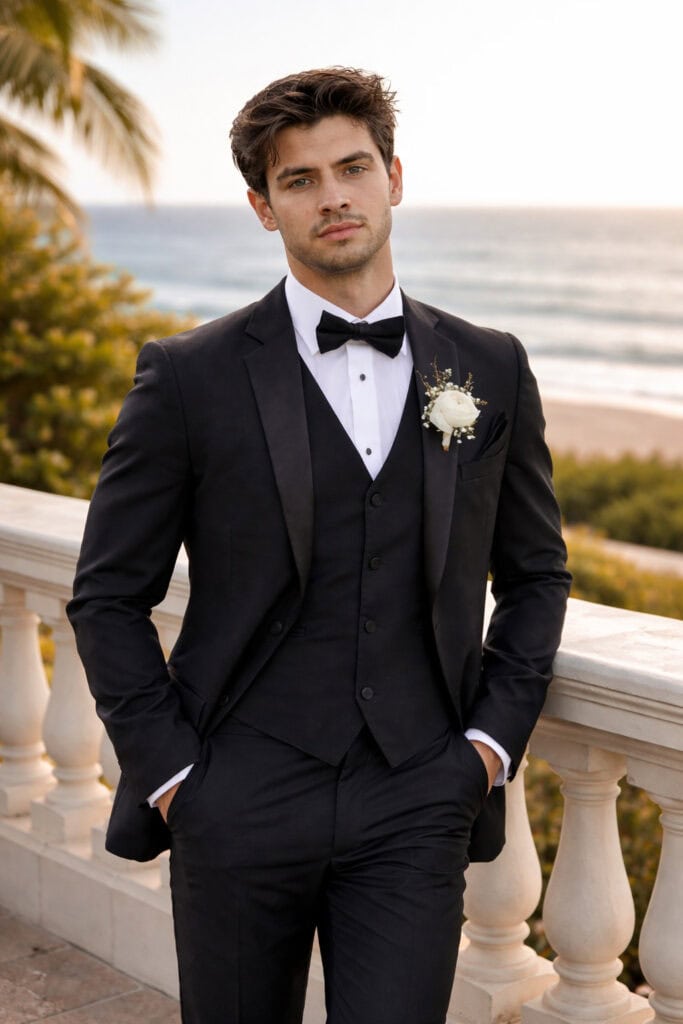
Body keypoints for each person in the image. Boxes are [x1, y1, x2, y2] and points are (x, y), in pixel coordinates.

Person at [68, 67, 571, 1024]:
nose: (332, 195)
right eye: (299, 180)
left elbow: (537, 574)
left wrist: (485, 750)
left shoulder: (490, 364)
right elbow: (105, 597)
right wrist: (176, 778)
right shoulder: (187, 375)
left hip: (419, 796)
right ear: (264, 207)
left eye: (351, 167)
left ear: (393, 176)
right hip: (233, 794)